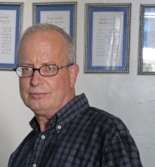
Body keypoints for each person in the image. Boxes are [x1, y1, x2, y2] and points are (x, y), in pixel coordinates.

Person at [8, 23, 142, 167]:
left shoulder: (108, 135)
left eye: (49, 68)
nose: (35, 80)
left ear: (72, 75)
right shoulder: (20, 153)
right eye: (27, 68)